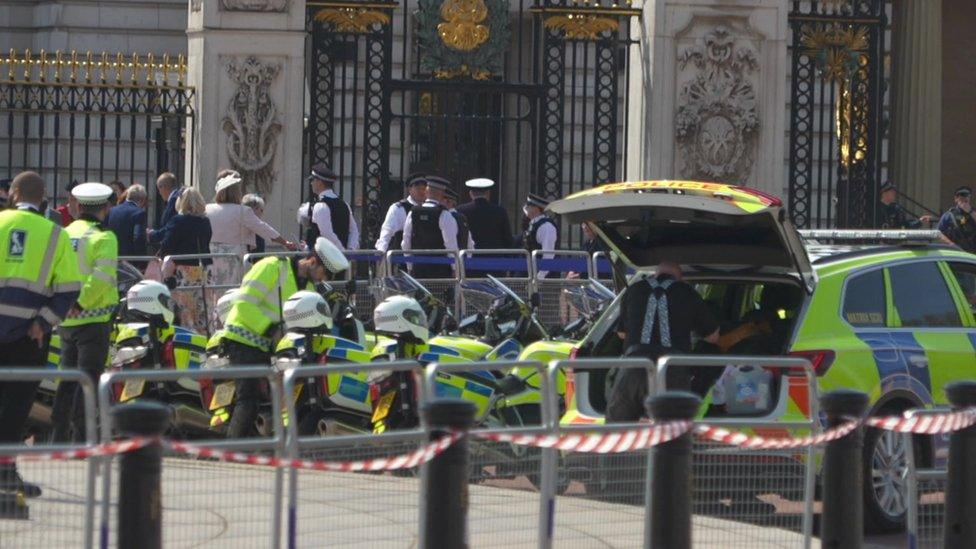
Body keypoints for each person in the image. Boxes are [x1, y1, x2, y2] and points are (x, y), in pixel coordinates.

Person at [0, 171, 82, 496]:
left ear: (15, 193)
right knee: (17, 408)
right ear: (44, 196)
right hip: (28, 337)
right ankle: (6, 476)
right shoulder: (55, 234)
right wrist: (44, 322)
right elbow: (69, 289)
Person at [221, 237, 349, 437]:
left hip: (268, 347)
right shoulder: (272, 267)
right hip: (242, 339)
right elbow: (244, 303)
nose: (323, 279)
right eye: (325, 273)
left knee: (268, 401)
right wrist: (271, 329)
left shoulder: (308, 289)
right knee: (249, 400)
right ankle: (230, 454)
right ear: (313, 262)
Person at [606, 262, 720, 422]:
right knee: (672, 433)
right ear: (679, 279)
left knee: (617, 429)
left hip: (634, 366)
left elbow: (621, 334)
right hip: (672, 370)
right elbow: (713, 337)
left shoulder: (634, 289)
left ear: (654, 274)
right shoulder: (687, 292)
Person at [51, 182, 118, 443]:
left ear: (77, 207)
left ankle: (58, 438)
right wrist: (81, 304)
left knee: (66, 380)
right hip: (94, 320)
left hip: (66, 320)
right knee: (88, 383)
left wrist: (67, 306)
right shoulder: (104, 237)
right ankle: (82, 439)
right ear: (106, 208)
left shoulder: (64, 233)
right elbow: (102, 278)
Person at [206, 170, 296, 286]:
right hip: (234, 257)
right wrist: (284, 242)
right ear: (236, 192)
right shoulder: (242, 211)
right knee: (232, 290)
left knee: (214, 289)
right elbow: (263, 229)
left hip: (211, 254)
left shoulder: (207, 209)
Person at [151, 188, 213, 333]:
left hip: (182, 271)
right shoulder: (205, 221)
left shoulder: (177, 221)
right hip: (202, 269)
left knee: (183, 309)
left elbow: (167, 245)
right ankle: (202, 336)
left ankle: (185, 337)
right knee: (201, 307)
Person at [401, 175, 458, 279]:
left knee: (418, 295)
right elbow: (451, 245)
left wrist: (410, 266)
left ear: (426, 192)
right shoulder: (444, 214)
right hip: (440, 269)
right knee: (439, 295)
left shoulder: (413, 212)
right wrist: (455, 268)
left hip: (418, 267)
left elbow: (406, 242)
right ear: (442, 194)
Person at [297, 163, 360, 250]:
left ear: (319, 182)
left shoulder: (320, 206)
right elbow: (354, 231)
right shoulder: (344, 204)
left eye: (312, 180)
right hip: (341, 259)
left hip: (325, 259)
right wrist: (350, 249)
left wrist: (341, 252)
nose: (311, 183)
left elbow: (326, 233)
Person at [375, 174, 427, 253]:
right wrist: (381, 251)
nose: (421, 191)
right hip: (402, 258)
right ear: (410, 189)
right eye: (418, 188)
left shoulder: (430, 208)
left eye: (424, 188)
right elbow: (387, 231)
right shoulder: (399, 208)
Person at [522, 193, 559, 279]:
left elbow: (548, 254)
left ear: (536, 209)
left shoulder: (546, 226)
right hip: (532, 272)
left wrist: (539, 277)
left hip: (543, 278)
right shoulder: (533, 223)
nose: (525, 208)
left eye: (528, 205)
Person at [106, 183, 148, 258]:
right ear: (142, 200)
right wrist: (142, 260)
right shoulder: (139, 213)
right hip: (129, 259)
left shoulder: (112, 211)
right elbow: (138, 238)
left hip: (111, 255)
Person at [937, 186, 976, 253]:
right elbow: (938, 234)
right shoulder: (949, 215)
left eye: (967, 197)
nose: (965, 199)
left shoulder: (973, 213)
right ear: (956, 199)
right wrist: (951, 244)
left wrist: (970, 212)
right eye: (962, 197)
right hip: (956, 252)